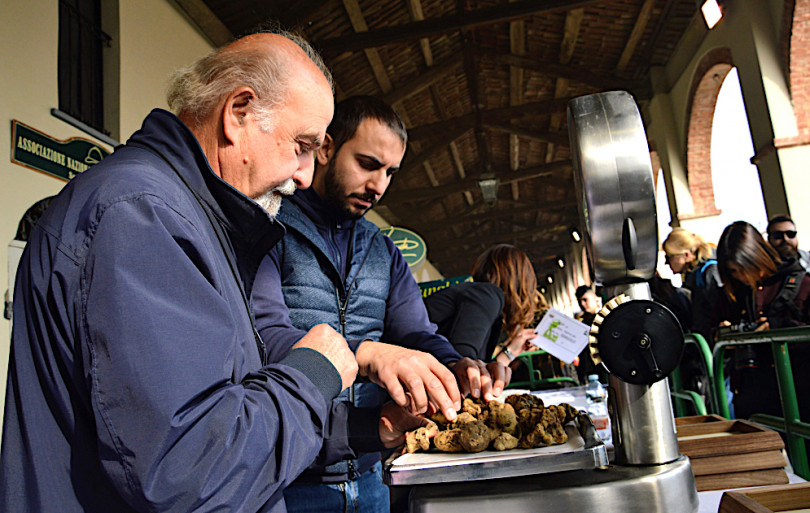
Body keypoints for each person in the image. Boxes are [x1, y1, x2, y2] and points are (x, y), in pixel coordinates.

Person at [0, 31, 425, 513]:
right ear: (238, 113)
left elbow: (227, 400)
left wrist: (367, 428)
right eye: (302, 146)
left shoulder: (190, 218)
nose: (306, 175)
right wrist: (314, 372)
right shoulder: (143, 216)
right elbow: (189, 470)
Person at [252, 95, 507, 513]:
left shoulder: (384, 251)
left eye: (390, 172)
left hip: (372, 474)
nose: (379, 186)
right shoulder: (270, 229)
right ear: (326, 147)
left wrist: (457, 366)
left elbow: (416, 333)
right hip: (288, 479)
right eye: (368, 164)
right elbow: (264, 337)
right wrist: (368, 354)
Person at [714, 221, 810, 419]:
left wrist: (779, 329)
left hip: (799, 393)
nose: (741, 276)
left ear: (757, 257)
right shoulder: (734, 294)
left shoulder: (802, 284)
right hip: (753, 396)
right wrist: (724, 335)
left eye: (744, 268)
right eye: (733, 271)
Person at [424, 244, 538, 367]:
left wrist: (511, 352)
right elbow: (464, 365)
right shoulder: (487, 294)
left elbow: (474, 368)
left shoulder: (481, 298)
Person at [663, 227, 722, 341]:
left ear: (686, 255)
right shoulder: (695, 275)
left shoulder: (709, 272)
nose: (667, 263)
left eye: (669, 256)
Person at [574, 285, 602, 384]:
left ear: (595, 299)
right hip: (589, 369)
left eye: (585, 300)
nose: (582, 304)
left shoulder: (604, 319)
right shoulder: (582, 323)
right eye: (579, 301)